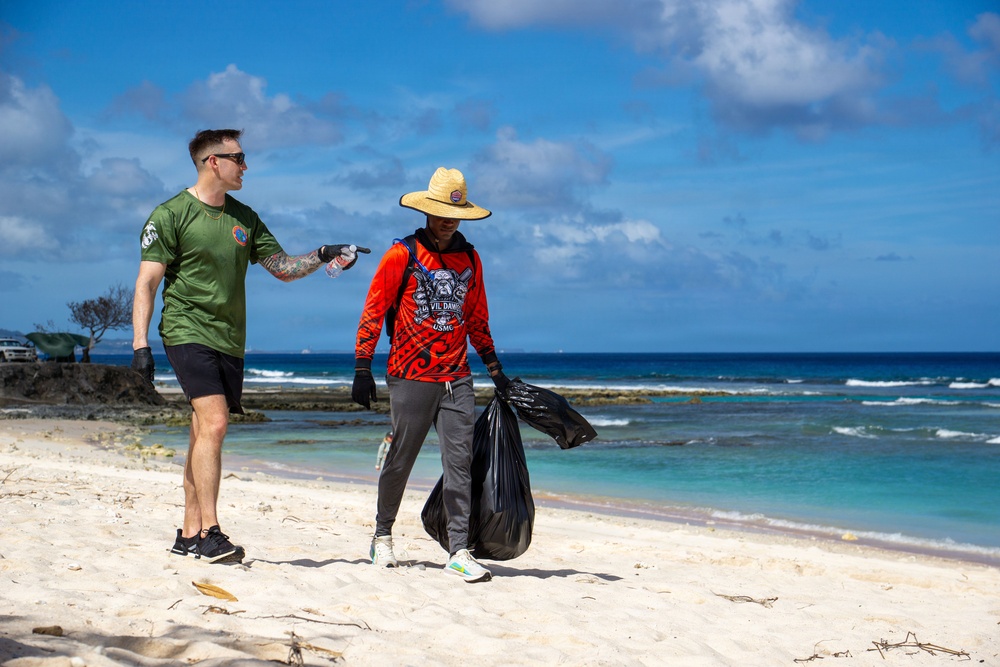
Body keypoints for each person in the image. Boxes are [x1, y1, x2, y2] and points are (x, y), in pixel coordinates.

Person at [131, 128, 368, 564]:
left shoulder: (245, 218)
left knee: (202, 430)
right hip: (185, 329)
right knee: (217, 423)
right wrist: (140, 344)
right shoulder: (169, 215)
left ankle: (186, 533)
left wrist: (322, 252)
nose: (245, 165)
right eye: (238, 157)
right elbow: (147, 283)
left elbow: (283, 268)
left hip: (229, 338)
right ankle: (210, 532)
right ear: (212, 162)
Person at [352, 167, 511, 583]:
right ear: (427, 211)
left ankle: (458, 549)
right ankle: (382, 537)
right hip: (409, 375)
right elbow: (373, 310)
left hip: (457, 376)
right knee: (401, 460)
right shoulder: (401, 255)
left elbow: (478, 319)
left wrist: (495, 369)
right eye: (440, 211)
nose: (447, 219)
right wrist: (361, 368)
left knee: (460, 465)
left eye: (454, 213)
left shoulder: (471, 259)